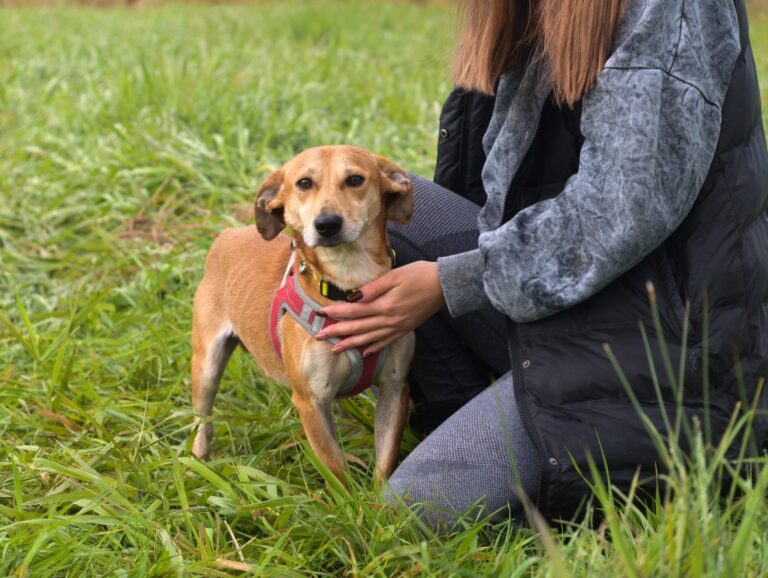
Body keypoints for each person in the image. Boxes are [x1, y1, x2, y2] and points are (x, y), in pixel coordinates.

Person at [316, 0, 768, 525]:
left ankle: (533, 428)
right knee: (369, 209)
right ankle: (470, 399)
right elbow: (499, 196)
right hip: (560, 298)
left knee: (414, 509)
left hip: (660, 344)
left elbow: (619, 210)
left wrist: (451, 281)